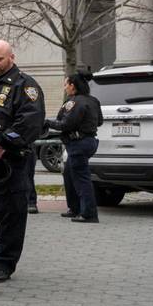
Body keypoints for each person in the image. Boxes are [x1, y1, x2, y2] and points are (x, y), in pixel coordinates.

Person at [0, 40, 45, 282]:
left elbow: (32, 122)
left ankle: (4, 263)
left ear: (11, 58)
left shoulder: (25, 85)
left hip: (12, 161)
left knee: (10, 215)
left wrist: (4, 142)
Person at [48, 72, 103, 223]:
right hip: (89, 142)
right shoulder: (93, 100)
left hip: (78, 144)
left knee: (81, 180)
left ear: (72, 85)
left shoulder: (73, 102)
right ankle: (75, 208)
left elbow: (64, 124)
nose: (65, 88)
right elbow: (100, 121)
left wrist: (47, 123)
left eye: (66, 84)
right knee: (69, 174)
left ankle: (89, 214)